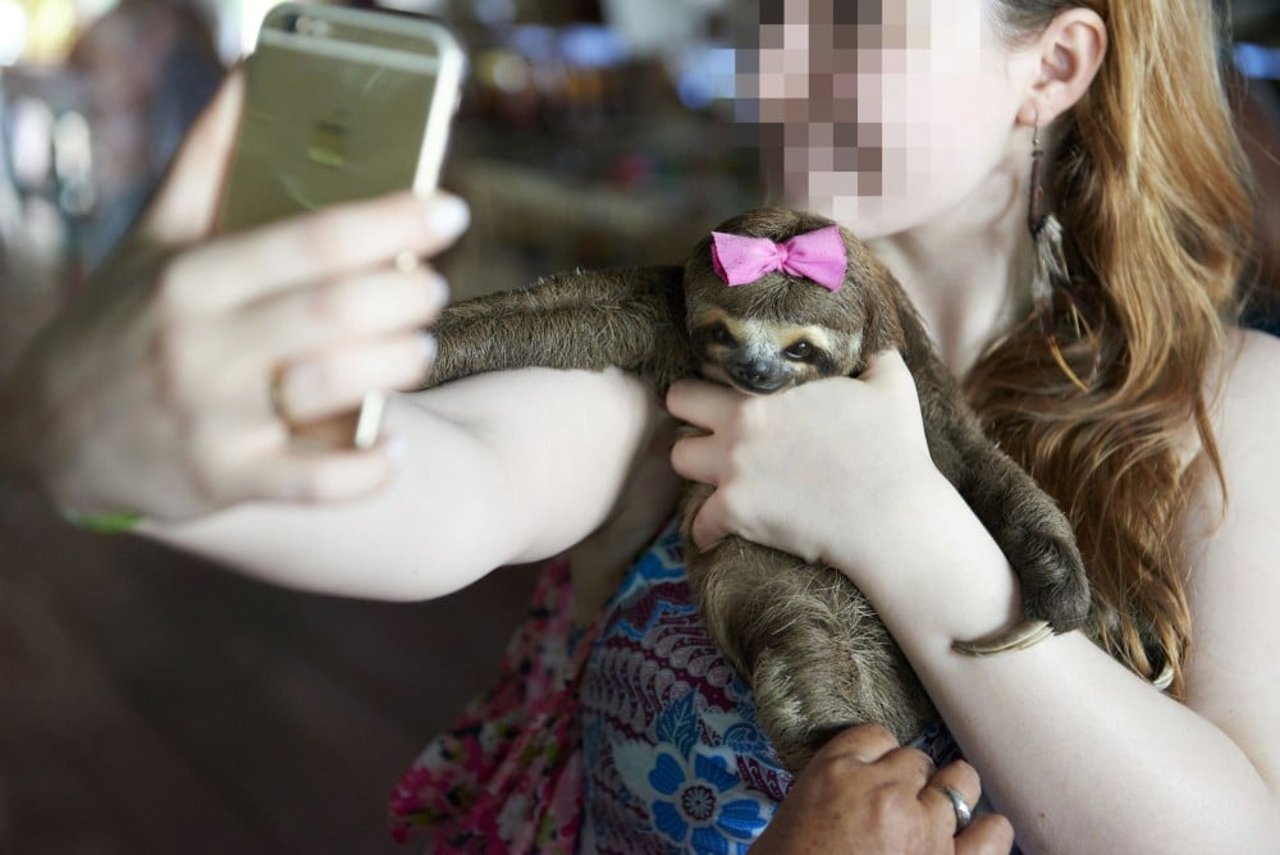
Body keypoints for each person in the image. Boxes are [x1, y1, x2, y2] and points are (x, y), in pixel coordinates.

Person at [2, 1, 1278, 852]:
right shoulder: (697, 333)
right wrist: (123, 457)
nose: (772, 72)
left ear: (1050, 66)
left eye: (848, 22)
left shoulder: (1222, 408)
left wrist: (902, 526)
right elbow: (448, 485)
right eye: (771, 17)